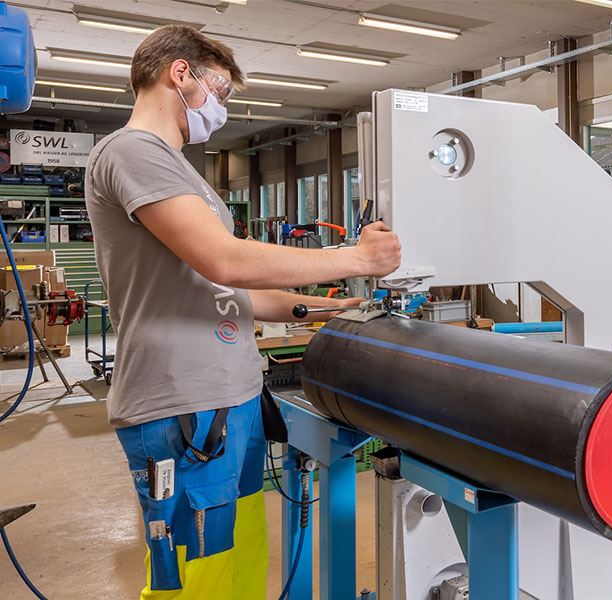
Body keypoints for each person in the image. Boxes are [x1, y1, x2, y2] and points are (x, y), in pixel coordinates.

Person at [85, 25, 401, 600]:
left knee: (239, 566)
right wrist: (353, 256)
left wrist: (325, 308)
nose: (222, 109)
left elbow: (221, 289)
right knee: (199, 579)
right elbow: (225, 261)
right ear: (179, 74)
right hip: (183, 406)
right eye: (221, 91)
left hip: (228, 402)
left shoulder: (178, 168)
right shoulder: (132, 151)